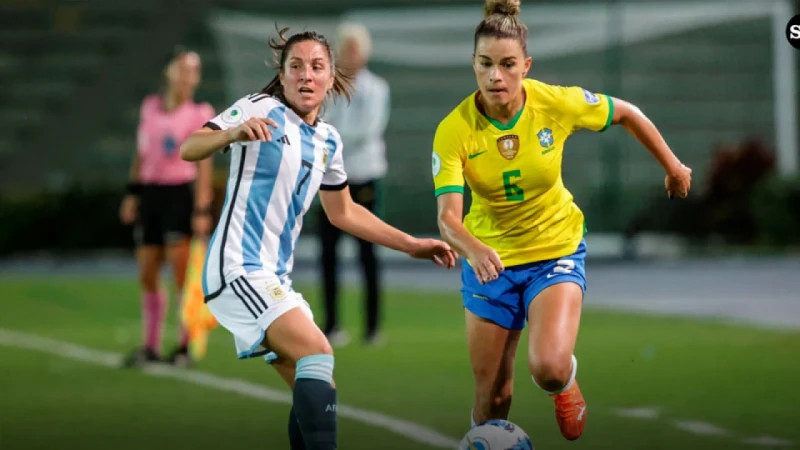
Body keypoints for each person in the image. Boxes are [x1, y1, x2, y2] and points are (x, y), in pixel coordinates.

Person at [180, 27, 456, 450]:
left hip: (272, 277)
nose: (306, 75)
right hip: (237, 268)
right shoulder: (259, 108)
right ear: (283, 75)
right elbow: (190, 146)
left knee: (318, 385)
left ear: (330, 77)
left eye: (316, 67)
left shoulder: (328, 140)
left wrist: (412, 244)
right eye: (296, 66)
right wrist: (231, 134)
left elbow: (344, 212)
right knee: (318, 351)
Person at [432, 0, 692, 441]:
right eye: (485, 63)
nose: (495, 76)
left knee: (548, 367)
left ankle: (565, 382)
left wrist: (673, 166)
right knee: (493, 400)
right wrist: (474, 249)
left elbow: (626, 113)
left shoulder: (554, 103)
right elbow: (447, 220)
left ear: (526, 66)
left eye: (507, 64)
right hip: (490, 261)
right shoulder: (454, 129)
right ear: (473, 63)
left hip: (555, 250)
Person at [119, 50, 215, 367]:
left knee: (181, 275)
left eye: (194, 71)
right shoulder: (150, 107)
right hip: (151, 194)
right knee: (147, 272)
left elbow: (204, 166)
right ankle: (151, 345)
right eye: (184, 69)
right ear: (169, 72)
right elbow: (141, 154)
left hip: (179, 195)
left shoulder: (199, 112)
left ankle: (185, 346)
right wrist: (133, 194)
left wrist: (202, 210)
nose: (189, 77)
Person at [317, 23, 391, 346]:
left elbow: (367, 130)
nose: (349, 54)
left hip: (363, 175)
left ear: (364, 52)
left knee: (368, 253)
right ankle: (331, 325)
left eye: (354, 48)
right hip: (331, 178)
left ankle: (372, 327)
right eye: (345, 47)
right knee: (328, 255)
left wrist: (332, 136)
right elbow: (318, 122)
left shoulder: (376, 88)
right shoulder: (327, 86)